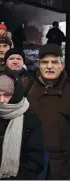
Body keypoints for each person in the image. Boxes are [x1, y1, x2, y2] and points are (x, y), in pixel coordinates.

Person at [0, 71, 45, 180]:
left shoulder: (30, 119)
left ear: (15, 94)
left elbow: (34, 159)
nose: (1, 100)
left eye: (7, 95)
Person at [27, 44, 70, 179]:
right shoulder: (27, 86)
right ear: (39, 65)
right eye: (45, 62)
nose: (49, 66)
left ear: (62, 66)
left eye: (54, 62)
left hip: (62, 166)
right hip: (32, 162)